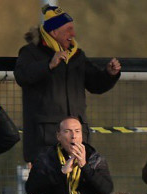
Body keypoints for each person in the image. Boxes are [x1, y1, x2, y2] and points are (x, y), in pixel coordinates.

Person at [14, 4, 120, 166]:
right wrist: (49, 65)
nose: (73, 34)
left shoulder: (77, 56)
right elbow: (22, 76)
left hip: (77, 141)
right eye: (68, 30)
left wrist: (109, 74)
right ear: (54, 32)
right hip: (45, 140)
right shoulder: (30, 52)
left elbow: (95, 85)